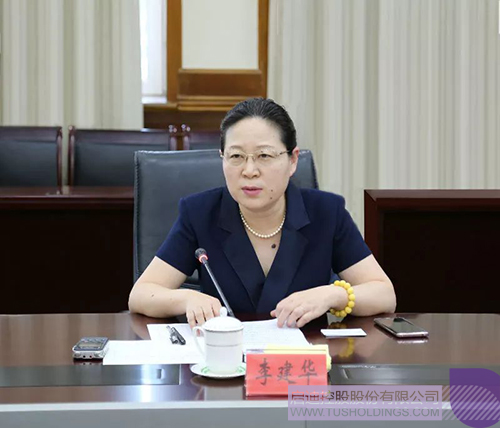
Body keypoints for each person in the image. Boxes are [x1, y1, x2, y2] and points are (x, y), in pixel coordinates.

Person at [128, 98, 396, 328]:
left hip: (304, 365)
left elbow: (384, 294)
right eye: (236, 156)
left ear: (292, 160)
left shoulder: (326, 212)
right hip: (225, 362)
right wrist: (186, 298)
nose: (249, 171)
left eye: (264, 156)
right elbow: (141, 295)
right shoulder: (200, 213)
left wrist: (333, 295)